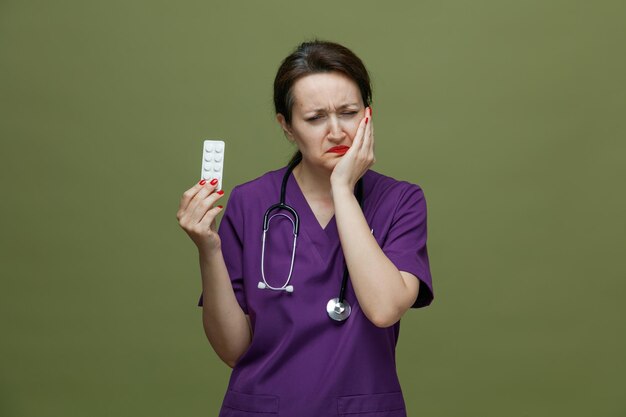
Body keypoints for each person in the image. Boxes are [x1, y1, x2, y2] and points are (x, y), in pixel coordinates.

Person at [177, 40, 434, 417]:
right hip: (265, 407)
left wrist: (343, 189)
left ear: (368, 114)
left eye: (348, 112)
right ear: (287, 127)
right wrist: (208, 249)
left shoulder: (400, 201)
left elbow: (383, 309)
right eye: (315, 118)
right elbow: (233, 350)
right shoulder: (250, 202)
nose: (336, 132)